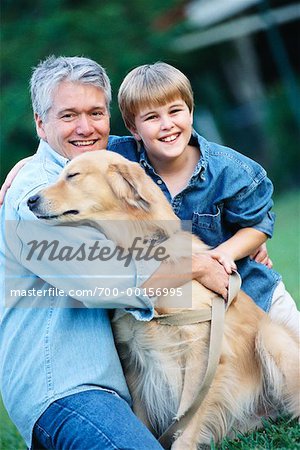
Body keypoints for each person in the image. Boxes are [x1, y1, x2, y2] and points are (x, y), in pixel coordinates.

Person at [0, 56, 230, 450]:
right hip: (68, 391)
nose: (86, 128)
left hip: (121, 384)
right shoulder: (33, 198)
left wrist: (242, 241)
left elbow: (175, 160)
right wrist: (196, 265)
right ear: (41, 124)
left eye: (95, 113)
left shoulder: (102, 170)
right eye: (68, 115)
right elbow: (104, 279)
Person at [117, 62, 299, 334]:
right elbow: (71, 160)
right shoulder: (119, 161)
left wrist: (224, 253)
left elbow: (259, 225)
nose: (167, 125)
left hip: (252, 291)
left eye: (175, 111)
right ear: (134, 128)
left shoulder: (231, 170)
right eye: (152, 118)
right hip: (191, 314)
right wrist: (30, 164)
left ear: (190, 112)